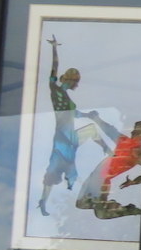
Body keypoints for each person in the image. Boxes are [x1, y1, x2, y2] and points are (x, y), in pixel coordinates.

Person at [38, 36, 100, 215]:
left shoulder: (66, 97)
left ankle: (77, 201)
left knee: (70, 170)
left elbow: (75, 114)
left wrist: (88, 115)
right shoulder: (55, 90)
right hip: (62, 136)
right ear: (70, 80)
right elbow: (53, 70)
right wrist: (54, 49)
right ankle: (43, 201)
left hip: (70, 135)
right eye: (75, 82)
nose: (76, 85)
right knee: (54, 170)